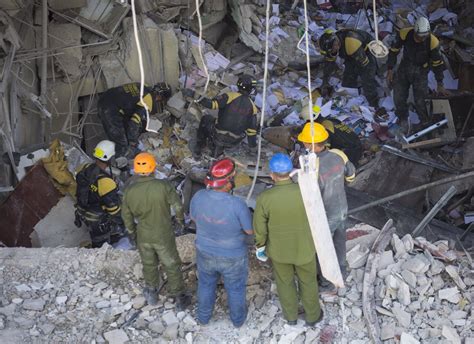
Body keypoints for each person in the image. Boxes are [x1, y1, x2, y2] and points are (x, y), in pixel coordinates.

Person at [254, 153, 323, 326]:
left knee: (285, 283)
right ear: (291, 172)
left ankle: (291, 317)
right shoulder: (305, 191)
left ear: (272, 175)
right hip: (305, 248)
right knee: (308, 281)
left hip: (279, 251)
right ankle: (313, 316)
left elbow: (260, 229)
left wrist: (260, 246)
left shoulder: (265, 198)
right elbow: (317, 217)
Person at [121, 152, 191, 309]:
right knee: (171, 263)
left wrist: (132, 233)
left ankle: (152, 294)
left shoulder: (129, 191)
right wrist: (180, 222)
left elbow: (126, 216)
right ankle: (179, 297)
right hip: (163, 233)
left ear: (136, 170)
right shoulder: (163, 186)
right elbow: (178, 206)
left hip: (143, 234)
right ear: (153, 168)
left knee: (148, 264)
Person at [190, 158, 253, 327]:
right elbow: (249, 231)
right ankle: (238, 320)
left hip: (204, 252)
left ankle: (203, 317)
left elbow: (194, 219)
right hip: (232, 256)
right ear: (228, 182)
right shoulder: (237, 205)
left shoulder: (198, 196)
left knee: (205, 284)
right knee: (235, 288)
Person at [297, 123, 356, 284]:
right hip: (342, 207)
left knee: (323, 249)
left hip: (326, 213)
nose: (303, 144)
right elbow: (351, 177)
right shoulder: (339, 154)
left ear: (312, 144)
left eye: (305, 142)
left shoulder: (311, 165)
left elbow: (306, 193)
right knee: (339, 241)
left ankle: (326, 281)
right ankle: (342, 270)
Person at [387, 17, 448, 127]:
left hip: (421, 71)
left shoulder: (432, 42)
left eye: (425, 36)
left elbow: (437, 63)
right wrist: (390, 69)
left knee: (421, 100)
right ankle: (403, 119)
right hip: (404, 68)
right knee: (399, 96)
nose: (422, 39)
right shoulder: (404, 34)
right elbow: (393, 51)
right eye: (420, 36)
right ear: (415, 31)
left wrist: (440, 83)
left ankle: (424, 122)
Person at [183, 75, 258, 158]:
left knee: (206, 118)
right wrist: (253, 150)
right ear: (251, 89)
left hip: (218, 133)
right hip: (234, 140)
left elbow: (211, 104)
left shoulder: (230, 96)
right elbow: (252, 132)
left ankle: (199, 146)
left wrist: (194, 95)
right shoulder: (253, 108)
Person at [97, 82, 171, 162]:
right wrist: (132, 143)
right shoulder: (148, 99)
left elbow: (129, 110)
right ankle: (120, 167)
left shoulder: (142, 85)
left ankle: (112, 161)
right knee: (121, 144)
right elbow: (134, 122)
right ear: (160, 97)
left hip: (104, 99)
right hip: (111, 110)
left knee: (118, 136)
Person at [75, 140, 125, 248]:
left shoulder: (84, 167)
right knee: (101, 248)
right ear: (110, 158)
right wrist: (125, 224)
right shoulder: (106, 183)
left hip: (83, 211)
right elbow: (114, 211)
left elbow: (88, 186)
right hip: (97, 221)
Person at [318, 29, 380, 108]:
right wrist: (325, 82)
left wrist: (366, 80)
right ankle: (351, 99)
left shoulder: (351, 43)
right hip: (350, 54)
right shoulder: (331, 45)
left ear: (336, 44)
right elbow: (329, 64)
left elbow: (365, 66)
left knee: (367, 79)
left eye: (332, 50)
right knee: (347, 82)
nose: (332, 52)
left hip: (366, 52)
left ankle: (374, 104)